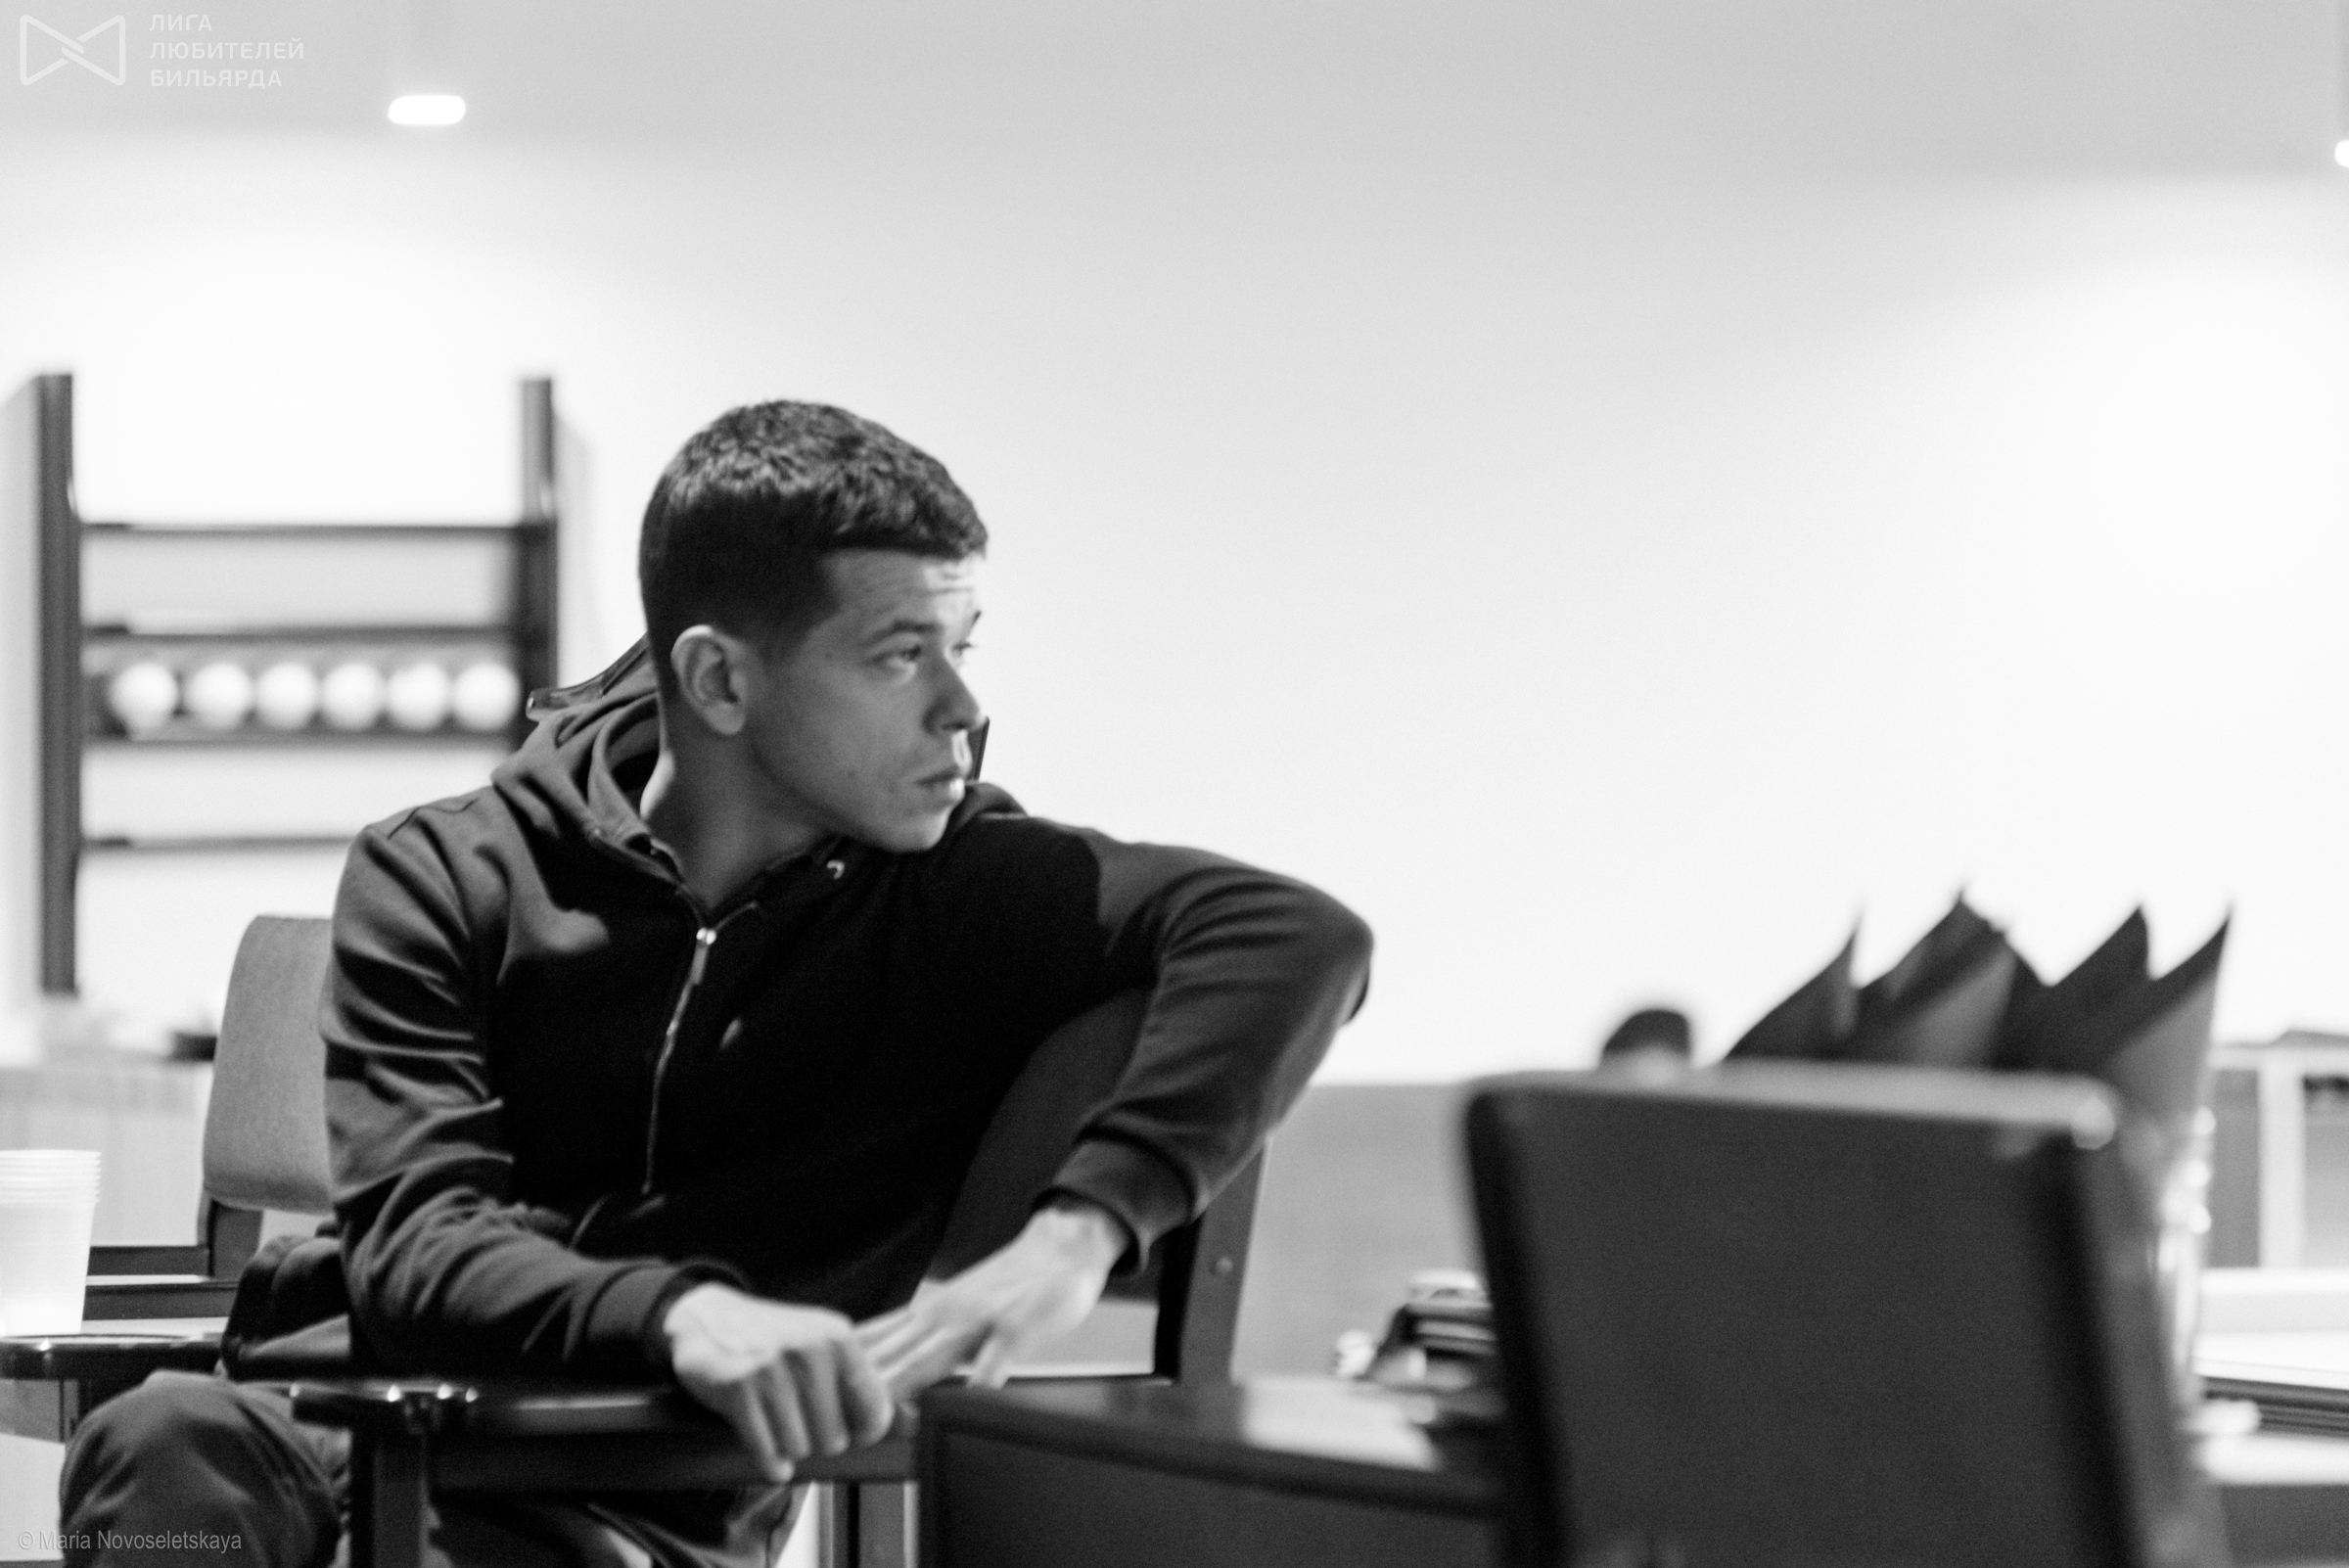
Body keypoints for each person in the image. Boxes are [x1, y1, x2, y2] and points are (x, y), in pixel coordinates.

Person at [58, 401, 1372, 1568]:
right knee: (159, 1456)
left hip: (611, 1488)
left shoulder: (963, 890)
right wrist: (682, 1312)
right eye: (901, 655)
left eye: (965, 645)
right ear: (719, 680)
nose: (963, 706)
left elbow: (1296, 935)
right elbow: (417, 1247)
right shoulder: (442, 868)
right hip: (317, 1419)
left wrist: (1071, 1240)